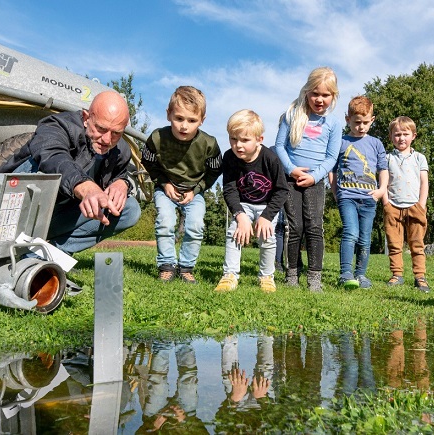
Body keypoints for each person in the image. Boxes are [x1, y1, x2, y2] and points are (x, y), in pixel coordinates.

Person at [0, 90, 141, 255]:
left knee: (130, 209)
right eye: (101, 128)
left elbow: (120, 174)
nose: (107, 139)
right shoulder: (58, 125)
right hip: (10, 209)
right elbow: (52, 155)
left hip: (56, 217)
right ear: (86, 119)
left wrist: (122, 183)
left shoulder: (121, 151)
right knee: (39, 168)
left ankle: (49, 254)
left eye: (116, 133)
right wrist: (85, 187)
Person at [141, 86, 222, 284]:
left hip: (194, 192)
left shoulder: (209, 144)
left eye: (192, 120)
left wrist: (197, 190)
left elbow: (215, 170)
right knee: (166, 222)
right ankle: (167, 265)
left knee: (195, 226)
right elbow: (148, 162)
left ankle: (186, 267)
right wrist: (164, 183)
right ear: (168, 114)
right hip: (166, 187)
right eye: (179, 118)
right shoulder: (157, 138)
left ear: (202, 119)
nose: (184, 126)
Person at [273, 66, 342, 293]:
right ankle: (291, 276)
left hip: (315, 182)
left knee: (314, 226)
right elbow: (280, 147)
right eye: (315, 93)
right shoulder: (291, 116)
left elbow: (332, 157)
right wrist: (292, 169)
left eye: (325, 95)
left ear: (333, 96)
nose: (319, 99)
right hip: (290, 180)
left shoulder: (333, 124)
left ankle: (314, 280)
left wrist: (314, 177)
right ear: (306, 92)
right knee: (295, 227)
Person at [215, 110, 289, 293]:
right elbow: (230, 189)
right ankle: (230, 275)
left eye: (245, 140)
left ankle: (266, 276)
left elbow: (282, 190)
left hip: (267, 205)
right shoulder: (229, 157)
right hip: (243, 204)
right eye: (233, 139)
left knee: (268, 237)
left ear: (259, 139)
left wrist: (266, 216)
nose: (238, 145)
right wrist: (240, 216)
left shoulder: (271, 159)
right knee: (234, 232)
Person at [329, 96, 388, 289]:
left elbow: (383, 169)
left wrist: (381, 190)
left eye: (365, 122)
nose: (361, 127)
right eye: (357, 122)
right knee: (350, 232)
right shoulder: (341, 142)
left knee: (364, 237)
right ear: (348, 120)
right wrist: (335, 191)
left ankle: (361, 275)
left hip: (369, 198)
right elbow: (333, 169)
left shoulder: (376, 144)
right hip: (347, 197)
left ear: (372, 119)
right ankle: (345, 273)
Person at [384, 116, 430, 292]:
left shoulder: (419, 158)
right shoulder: (387, 158)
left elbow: (424, 182)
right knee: (394, 244)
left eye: (405, 134)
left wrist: (421, 204)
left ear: (413, 136)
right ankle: (397, 274)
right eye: (397, 134)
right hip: (393, 207)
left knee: (416, 244)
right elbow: (384, 181)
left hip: (415, 207)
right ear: (391, 137)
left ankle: (420, 276)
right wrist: (386, 203)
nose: (401, 138)